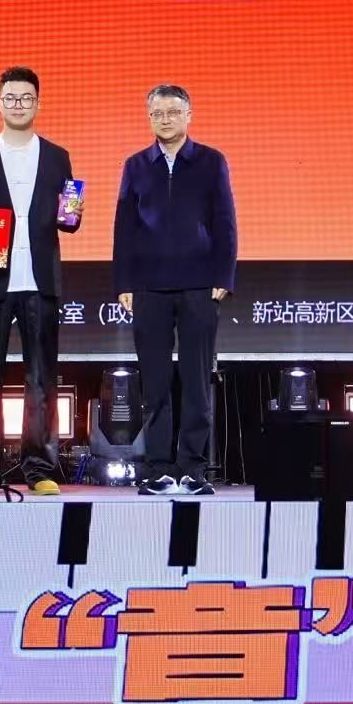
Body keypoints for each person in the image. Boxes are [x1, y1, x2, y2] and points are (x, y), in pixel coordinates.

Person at [0, 67, 81, 496]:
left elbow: (69, 219)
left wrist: (73, 211)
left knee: (42, 378)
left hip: (39, 281)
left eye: (26, 98)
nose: (18, 105)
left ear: (38, 103)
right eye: (11, 98)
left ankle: (39, 468)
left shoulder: (57, 156)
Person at [113, 84, 237, 497]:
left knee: (197, 380)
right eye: (158, 113)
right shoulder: (136, 165)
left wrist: (224, 276)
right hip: (148, 287)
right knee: (155, 383)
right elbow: (124, 227)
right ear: (149, 117)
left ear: (188, 115)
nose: (165, 119)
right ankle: (158, 469)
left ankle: (193, 468)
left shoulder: (211, 161)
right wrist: (124, 282)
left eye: (173, 112)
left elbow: (225, 221)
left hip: (200, 285)